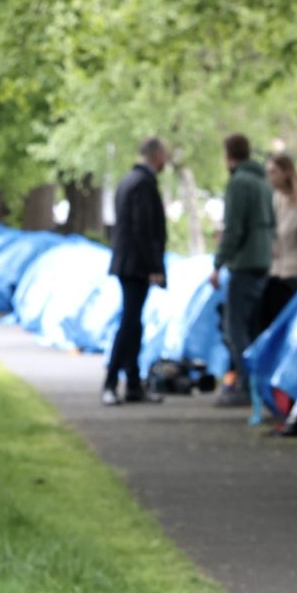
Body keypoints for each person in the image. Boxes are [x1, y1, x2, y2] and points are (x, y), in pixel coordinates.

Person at [103, 138, 169, 406]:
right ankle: (110, 382)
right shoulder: (143, 184)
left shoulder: (129, 180)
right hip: (136, 264)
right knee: (129, 323)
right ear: (156, 155)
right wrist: (155, 266)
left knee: (134, 322)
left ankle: (132, 383)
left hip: (128, 262)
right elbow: (144, 229)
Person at [210, 132, 274, 406]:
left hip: (245, 263)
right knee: (253, 326)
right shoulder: (263, 182)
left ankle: (246, 386)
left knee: (235, 327)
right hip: (262, 262)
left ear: (229, 154)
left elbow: (234, 229)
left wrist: (218, 263)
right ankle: (256, 384)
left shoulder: (239, 183)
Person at [258, 151, 297, 335]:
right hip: (274, 274)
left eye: (274, 172)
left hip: (294, 278)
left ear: (286, 173)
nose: (270, 176)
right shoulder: (276, 199)